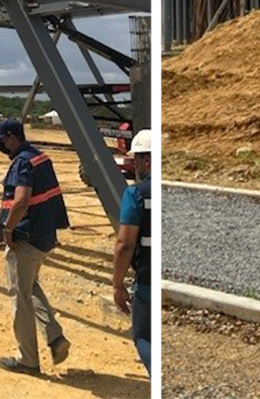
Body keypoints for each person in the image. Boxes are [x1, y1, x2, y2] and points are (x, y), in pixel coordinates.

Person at [0, 119, 71, 374]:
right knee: (30, 286)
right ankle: (55, 337)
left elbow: (22, 201)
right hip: (43, 237)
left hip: (25, 238)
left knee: (20, 295)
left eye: (2, 141)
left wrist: (8, 228)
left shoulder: (23, 163)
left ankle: (27, 360)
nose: (1, 147)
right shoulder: (41, 158)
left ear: (12, 137)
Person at [113, 129, 153, 372]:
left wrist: (118, 284)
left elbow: (125, 244)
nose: (134, 164)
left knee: (143, 337)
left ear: (146, 160)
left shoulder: (136, 194)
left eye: (136, 159)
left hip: (148, 282)